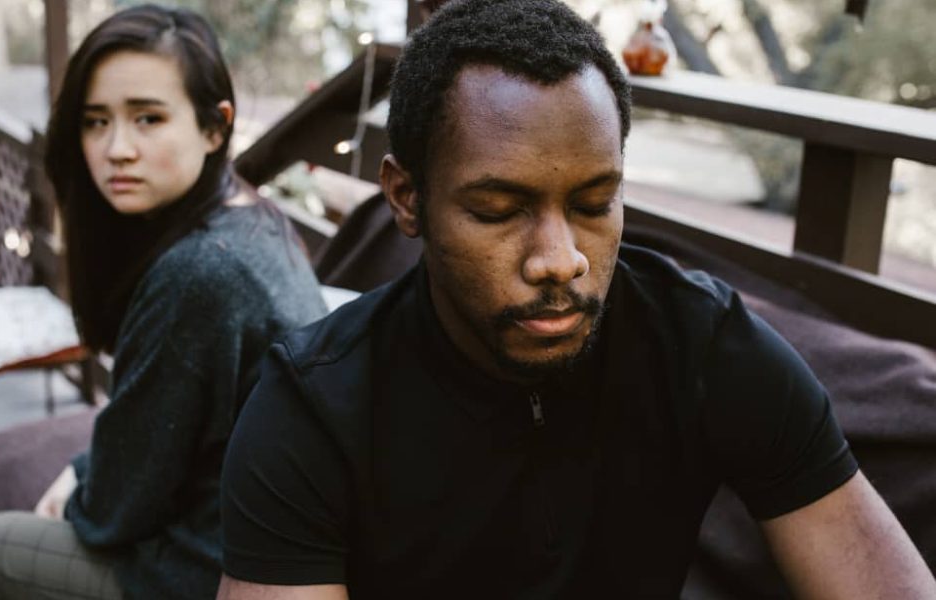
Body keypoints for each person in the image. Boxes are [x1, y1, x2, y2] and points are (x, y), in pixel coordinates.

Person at [216, 1, 936, 598]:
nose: (561, 260)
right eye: (498, 209)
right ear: (407, 199)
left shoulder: (703, 342)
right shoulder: (312, 409)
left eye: (594, 203)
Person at [0, 5, 327, 599]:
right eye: (96, 122)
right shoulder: (252, 218)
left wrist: (80, 484)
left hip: (218, 567)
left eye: (148, 119)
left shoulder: (199, 274)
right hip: (261, 532)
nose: (116, 148)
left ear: (215, 127)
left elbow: (115, 510)